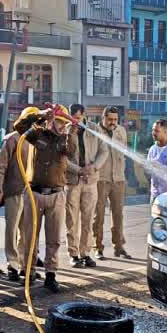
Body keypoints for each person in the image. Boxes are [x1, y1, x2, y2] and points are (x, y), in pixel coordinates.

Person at [15, 104, 75, 293]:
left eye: (63, 122)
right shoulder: (37, 135)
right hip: (34, 193)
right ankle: (29, 271)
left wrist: (69, 132)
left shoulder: (66, 140)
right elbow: (19, 126)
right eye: (57, 121)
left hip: (56, 194)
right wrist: (40, 116)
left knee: (54, 238)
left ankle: (51, 274)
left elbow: (72, 152)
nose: (59, 125)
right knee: (30, 235)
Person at [0, 106, 39, 283]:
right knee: (11, 231)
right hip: (14, 191)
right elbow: (0, 166)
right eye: (31, 120)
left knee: (27, 233)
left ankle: (24, 265)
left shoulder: (37, 141)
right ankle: (12, 265)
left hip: (31, 193)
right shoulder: (12, 140)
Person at [64, 104, 108, 269]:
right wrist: (78, 170)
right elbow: (63, 157)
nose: (75, 120)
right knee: (72, 219)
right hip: (73, 181)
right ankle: (73, 254)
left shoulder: (94, 129)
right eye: (72, 117)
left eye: (78, 117)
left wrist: (94, 167)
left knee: (88, 219)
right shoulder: (66, 131)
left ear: (84, 115)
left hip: (90, 181)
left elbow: (104, 151)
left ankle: (86, 253)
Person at [93, 106, 131, 260]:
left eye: (115, 119)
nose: (113, 122)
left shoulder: (121, 131)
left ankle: (119, 247)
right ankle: (98, 247)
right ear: (103, 118)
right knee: (99, 215)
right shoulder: (96, 131)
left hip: (118, 178)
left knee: (118, 215)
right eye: (110, 119)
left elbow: (125, 151)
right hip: (101, 179)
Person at [147, 119, 167, 201]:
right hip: (155, 194)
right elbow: (147, 170)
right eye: (153, 130)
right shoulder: (152, 149)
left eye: (156, 131)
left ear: (165, 131)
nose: (153, 133)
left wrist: (162, 167)